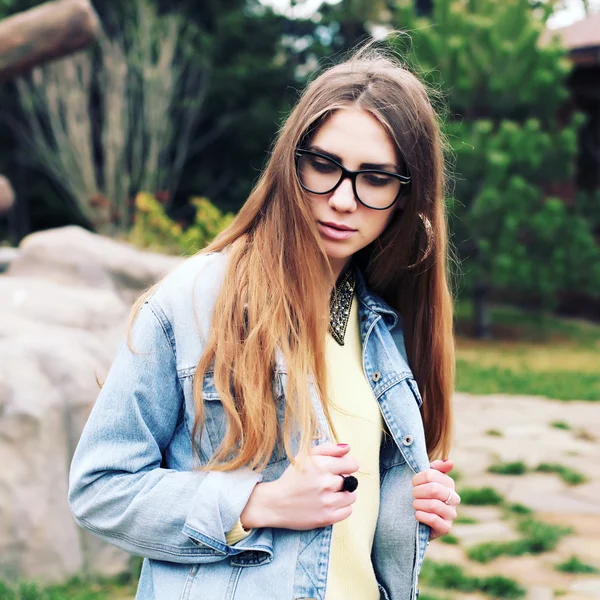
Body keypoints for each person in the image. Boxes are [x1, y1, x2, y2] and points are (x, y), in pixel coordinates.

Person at [68, 42, 460, 600]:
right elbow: (99, 489)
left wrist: (408, 508)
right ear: (290, 161)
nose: (344, 200)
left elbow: (345, 527)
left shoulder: (383, 325)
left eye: (375, 178)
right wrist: (257, 502)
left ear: (407, 194)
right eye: (324, 165)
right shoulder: (195, 300)